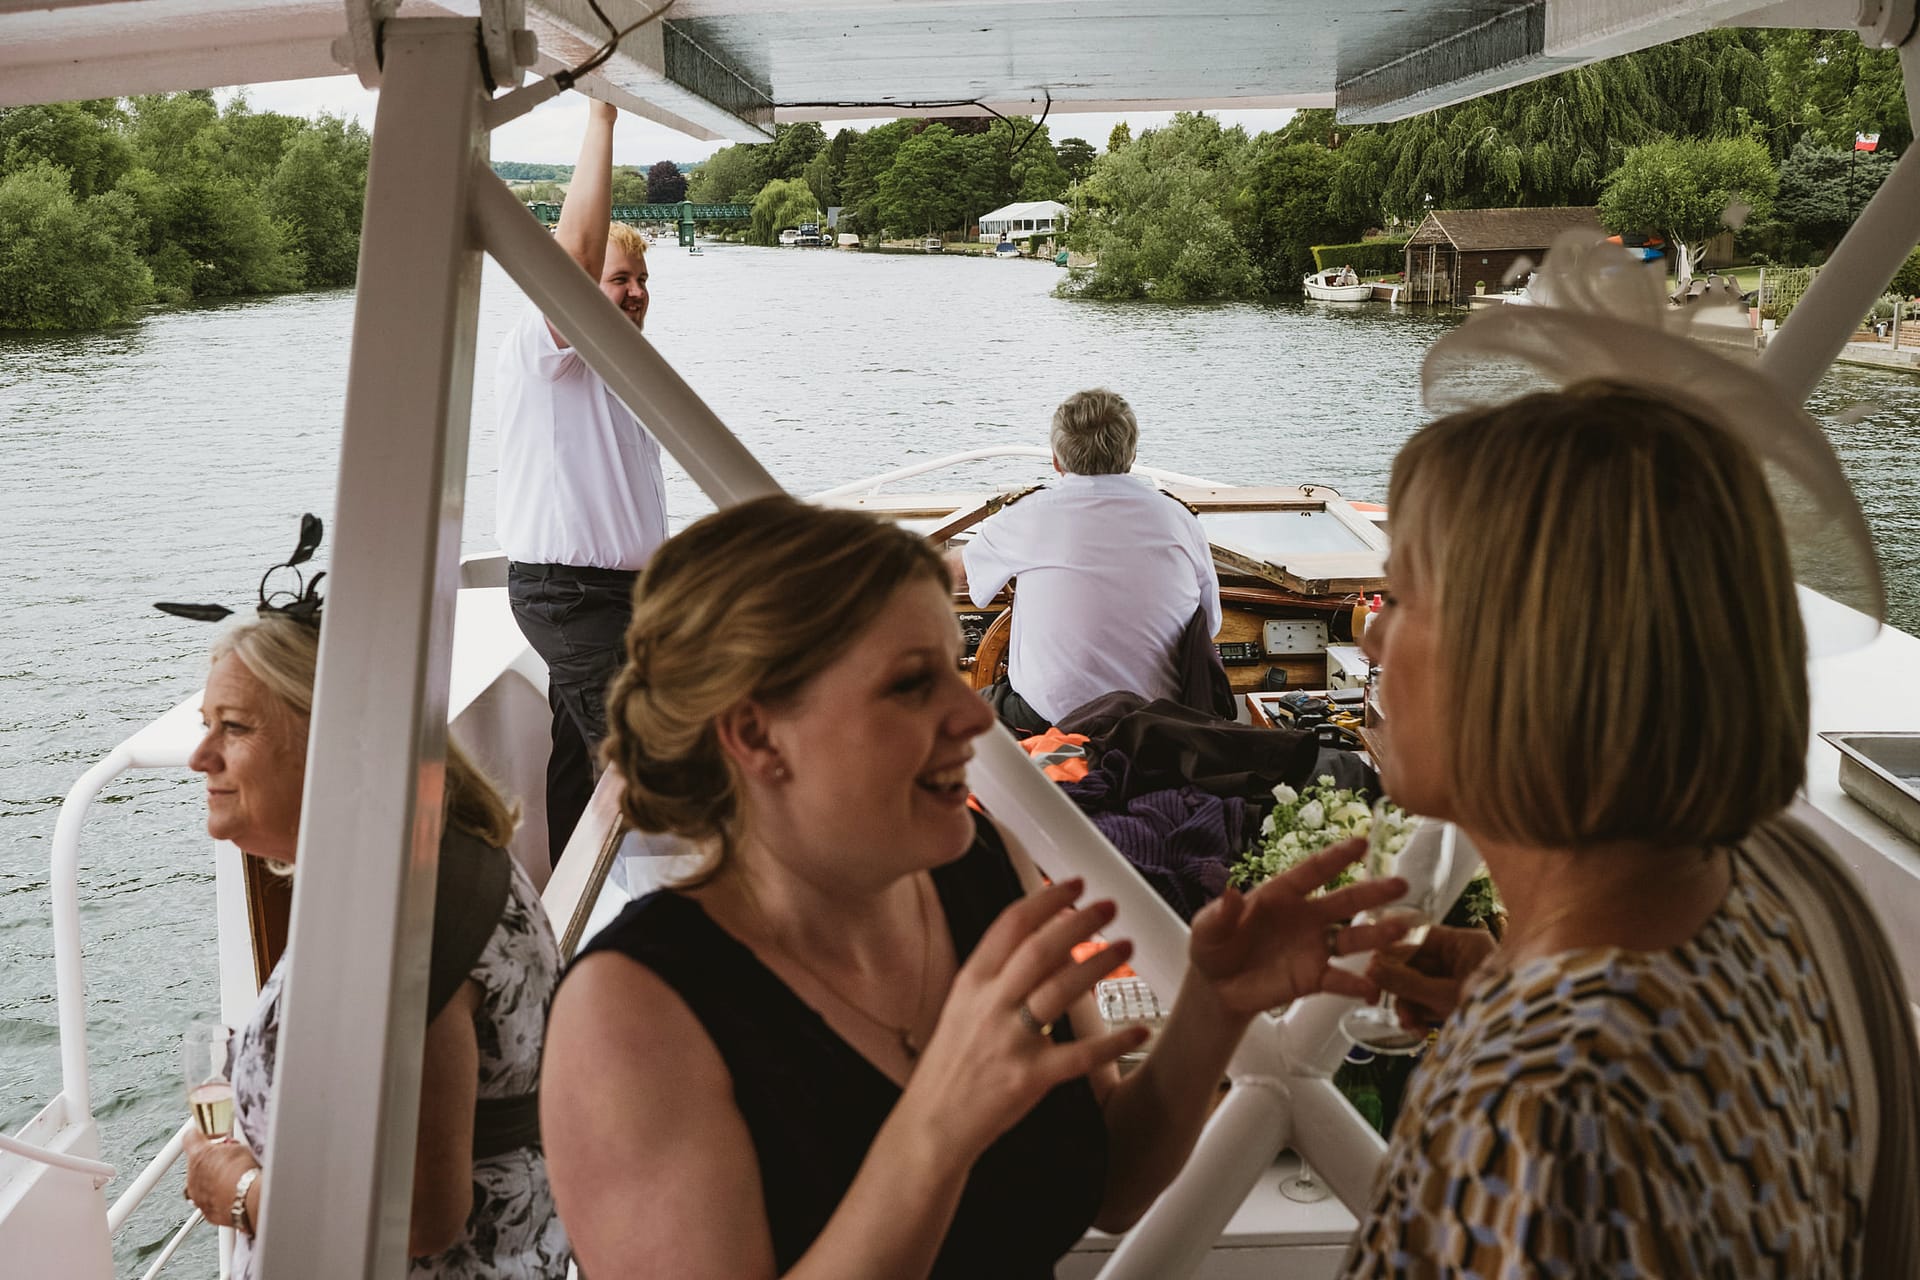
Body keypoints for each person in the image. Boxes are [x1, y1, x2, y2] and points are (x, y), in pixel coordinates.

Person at [540, 495, 1407, 1278]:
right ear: (757, 735)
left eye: (955, 670)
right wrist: (937, 1127)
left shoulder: (986, 870)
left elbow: (1110, 1183)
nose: (974, 714)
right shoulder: (631, 1015)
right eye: (911, 686)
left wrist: (1211, 1012)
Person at [1346, 380, 1919, 1277]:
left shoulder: (1537, 1116)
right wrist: (1506, 988)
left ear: (1524, 655)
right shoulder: (1768, 892)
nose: (1374, 643)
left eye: (1399, 598)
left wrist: (1521, 1032)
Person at [172, 571, 569, 1278]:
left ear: (335, 742)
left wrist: (237, 1188)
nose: (200, 758)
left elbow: (416, 1215)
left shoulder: (406, 918)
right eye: (206, 726)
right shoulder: (421, 862)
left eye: (233, 728)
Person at [495, 97, 664, 865]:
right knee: (645, 765)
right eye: (618, 278)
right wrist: (603, 117)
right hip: (570, 595)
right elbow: (573, 257)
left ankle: (571, 907)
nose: (636, 292)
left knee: (577, 761)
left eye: (642, 279)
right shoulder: (545, 352)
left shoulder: (622, 368)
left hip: (623, 596)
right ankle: (663, 916)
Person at [953, 388, 1220, 733]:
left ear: (1056, 460)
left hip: (1050, 723)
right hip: (1155, 726)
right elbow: (1208, 625)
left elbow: (955, 573)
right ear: (1131, 454)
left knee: (951, 717)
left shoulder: (1028, 514)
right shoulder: (1180, 519)